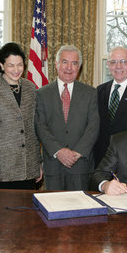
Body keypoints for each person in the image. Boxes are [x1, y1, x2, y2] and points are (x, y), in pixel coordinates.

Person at [35, 45, 100, 191]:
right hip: (53, 166)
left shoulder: (90, 93)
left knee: (81, 210)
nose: (69, 67)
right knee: (53, 208)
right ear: (57, 64)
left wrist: (76, 153)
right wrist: (59, 151)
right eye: (65, 62)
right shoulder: (42, 94)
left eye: (74, 63)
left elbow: (93, 126)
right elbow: (40, 126)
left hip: (81, 166)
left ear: (80, 66)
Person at [0, 43, 42, 190]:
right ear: (1, 65)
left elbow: (33, 129)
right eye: (10, 65)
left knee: (29, 212)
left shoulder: (30, 88)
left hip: (29, 168)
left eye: (20, 65)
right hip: (3, 169)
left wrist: (38, 163)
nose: (16, 70)